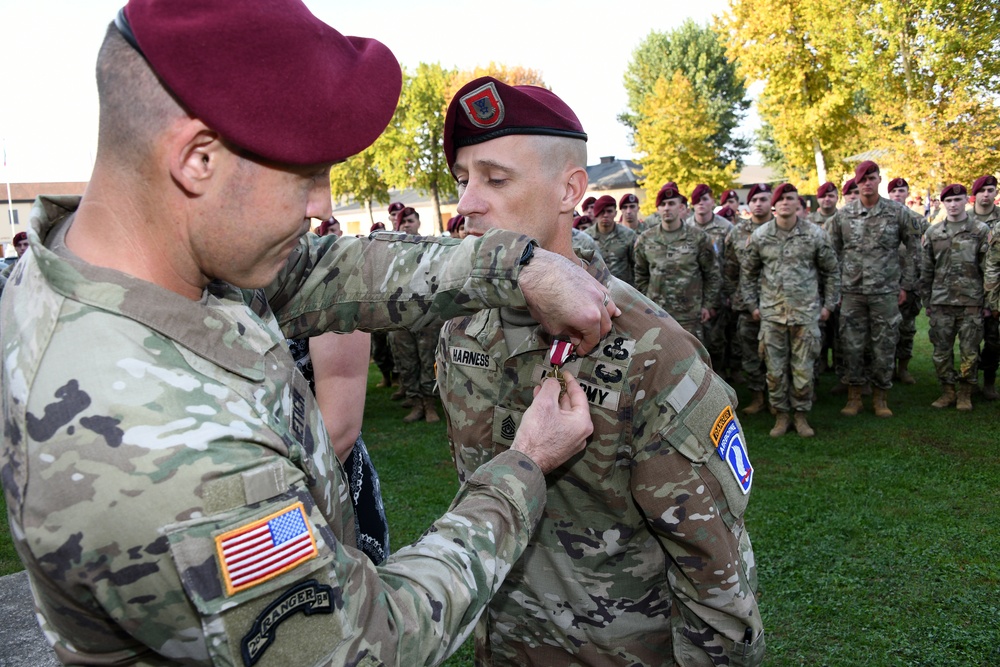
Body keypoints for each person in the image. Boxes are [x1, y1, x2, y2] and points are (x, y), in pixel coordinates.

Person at [0, 3, 620, 665]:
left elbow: (328, 270)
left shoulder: (125, 255)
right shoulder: (165, 447)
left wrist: (517, 265)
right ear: (197, 159)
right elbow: (367, 645)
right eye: (306, 175)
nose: (324, 203)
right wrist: (522, 469)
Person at [439, 75, 764, 667]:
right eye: (463, 181)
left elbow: (715, 578)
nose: (466, 204)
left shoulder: (652, 349)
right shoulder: (462, 328)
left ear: (570, 191)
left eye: (495, 178)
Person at [741, 184, 840, 437]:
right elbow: (748, 274)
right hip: (772, 316)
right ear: (775, 205)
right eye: (781, 199)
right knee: (774, 372)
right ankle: (781, 416)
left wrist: (829, 305)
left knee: (804, 371)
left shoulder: (815, 235)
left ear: (799, 203)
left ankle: (801, 415)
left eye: (790, 198)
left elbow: (831, 272)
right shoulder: (761, 236)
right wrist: (752, 305)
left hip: (805, 315)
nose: (785, 202)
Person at [829, 161, 921, 417]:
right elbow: (831, 254)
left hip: (885, 292)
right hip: (852, 293)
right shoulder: (843, 215)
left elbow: (914, 251)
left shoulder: (898, 213)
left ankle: (881, 397)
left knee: (885, 344)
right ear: (857, 184)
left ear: (880, 179)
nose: (867, 183)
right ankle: (854, 395)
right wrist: (836, 288)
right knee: (852, 345)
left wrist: (906, 285)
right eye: (862, 180)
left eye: (871, 178)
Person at [919, 184, 990, 411]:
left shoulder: (979, 231)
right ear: (942, 203)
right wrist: (927, 301)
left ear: (966, 201)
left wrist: (988, 302)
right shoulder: (933, 232)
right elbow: (926, 269)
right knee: (941, 351)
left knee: (970, 352)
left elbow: (988, 268)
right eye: (948, 201)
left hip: (971, 302)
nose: (953, 204)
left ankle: (965, 394)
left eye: (957, 200)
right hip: (941, 303)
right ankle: (948, 391)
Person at [635, 185, 722, 342]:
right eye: (663, 204)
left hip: (689, 315)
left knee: (693, 361)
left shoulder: (699, 238)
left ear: (681, 207)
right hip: (657, 313)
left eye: (671, 203)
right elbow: (641, 274)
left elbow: (712, 274)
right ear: (658, 209)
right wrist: (647, 302)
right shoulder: (645, 239)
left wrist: (707, 305)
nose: (667, 208)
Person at [388, 207, 445, 422]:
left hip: (429, 315)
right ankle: (416, 403)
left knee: (427, 358)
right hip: (401, 315)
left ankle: (430, 404)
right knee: (407, 361)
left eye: (410, 221)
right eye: (403, 222)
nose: (407, 225)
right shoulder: (394, 251)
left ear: (418, 222)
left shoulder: (433, 247)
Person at [724, 183, 774, 414]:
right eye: (754, 200)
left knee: (777, 354)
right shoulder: (737, 232)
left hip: (778, 303)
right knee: (750, 353)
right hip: (747, 305)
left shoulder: (780, 229)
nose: (758, 204)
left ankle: (777, 398)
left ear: (771, 201)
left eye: (763, 199)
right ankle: (757, 396)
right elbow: (731, 268)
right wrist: (739, 294)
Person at [884, 177, 929, 386]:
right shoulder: (882, 218)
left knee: (907, 328)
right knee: (885, 328)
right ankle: (887, 368)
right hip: (885, 283)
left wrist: (915, 282)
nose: (897, 195)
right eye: (894, 191)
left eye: (901, 191)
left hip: (910, 282)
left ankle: (903, 368)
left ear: (907, 194)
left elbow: (926, 249)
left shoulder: (918, 221)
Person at [688, 184, 734, 375]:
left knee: (718, 340)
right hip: (693, 296)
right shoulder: (687, 227)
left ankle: (721, 377)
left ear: (713, 202)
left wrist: (730, 292)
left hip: (721, 292)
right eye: (697, 201)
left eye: (705, 199)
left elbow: (732, 262)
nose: (701, 204)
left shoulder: (726, 227)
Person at [970, 175, 999, 399]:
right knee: (969, 338)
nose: (987, 194)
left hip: (995, 289)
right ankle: (969, 383)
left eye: (991, 190)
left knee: (993, 339)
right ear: (975, 194)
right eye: (983, 190)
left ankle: (989, 382)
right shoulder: (964, 219)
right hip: (968, 289)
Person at [584, 194, 636, 285]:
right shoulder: (585, 237)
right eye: (602, 212)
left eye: (609, 211)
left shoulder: (629, 235)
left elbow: (636, 266)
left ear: (615, 213)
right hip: (595, 291)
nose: (605, 215)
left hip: (622, 291)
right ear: (596, 213)